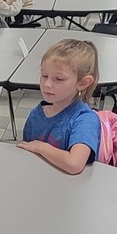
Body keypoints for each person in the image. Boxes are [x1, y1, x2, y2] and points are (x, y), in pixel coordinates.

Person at [18, 39, 101, 175]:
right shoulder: (36, 114)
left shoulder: (85, 119)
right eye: (44, 76)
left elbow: (74, 164)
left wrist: (41, 147)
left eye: (59, 79)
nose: (47, 84)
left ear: (83, 83)